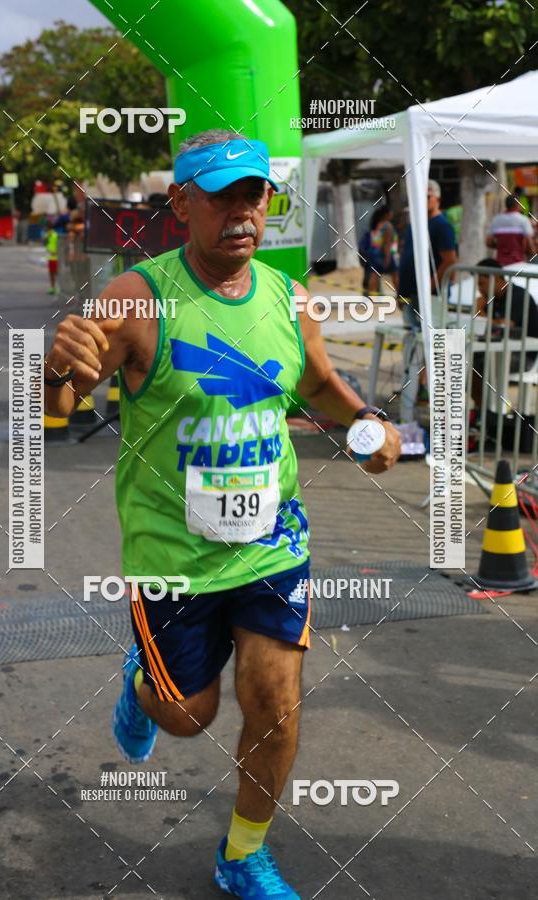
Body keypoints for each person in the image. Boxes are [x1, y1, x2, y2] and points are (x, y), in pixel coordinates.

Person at [44, 129, 401, 900]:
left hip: (273, 545)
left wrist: (366, 423)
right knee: (186, 716)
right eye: (222, 195)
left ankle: (242, 855)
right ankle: (144, 685)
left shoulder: (286, 295)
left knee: (274, 701)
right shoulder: (136, 299)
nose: (243, 212)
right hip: (172, 554)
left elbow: (316, 382)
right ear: (181, 203)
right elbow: (62, 403)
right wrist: (53, 372)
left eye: (254, 194)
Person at [397, 179, 457, 415]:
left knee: (433, 345)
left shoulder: (441, 225)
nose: (422, 201)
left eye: (427, 196)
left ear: (437, 199)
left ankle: (436, 395)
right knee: (414, 346)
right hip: (411, 294)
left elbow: (450, 260)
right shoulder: (416, 223)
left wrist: (428, 286)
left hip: (430, 296)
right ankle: (419, 387)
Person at [472, 258, 538, 409]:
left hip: (525, 356)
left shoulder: (518, 295)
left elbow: (505, 326)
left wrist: (480, 313)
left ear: (494, 278)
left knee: (479, 365)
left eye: (482, 284)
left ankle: (490, 414)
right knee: (467, 360)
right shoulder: (493, 299)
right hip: (498, 351)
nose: (480, 289)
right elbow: (483, 328)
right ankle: (485, 413)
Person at [486, 195, 535, 266]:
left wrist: (502, 246)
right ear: (517, 204)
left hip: (500, 264)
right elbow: (530, 245)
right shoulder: (524, 220)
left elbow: (488, 242)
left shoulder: (496, 220)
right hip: (518, 264)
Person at [367, 205, 398, 296]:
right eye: (390, 212)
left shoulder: (376, 224)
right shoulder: (388, 225)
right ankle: (400, 295)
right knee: (395, 274)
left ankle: (372, 297)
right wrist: (387, 257)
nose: (392, 214)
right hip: (382, 252)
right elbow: (387, 242)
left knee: (374, 275)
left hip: (373, 251)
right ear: (386, 215)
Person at [44, 221, 58, 294]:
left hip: (55, 257)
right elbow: (45, 242)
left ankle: (57, 287)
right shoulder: (47, 235)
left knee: (56, 273)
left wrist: (56, 251)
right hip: (50, 257)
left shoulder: (55, 235)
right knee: (51, 273)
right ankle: (52, 288)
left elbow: (59, 245)